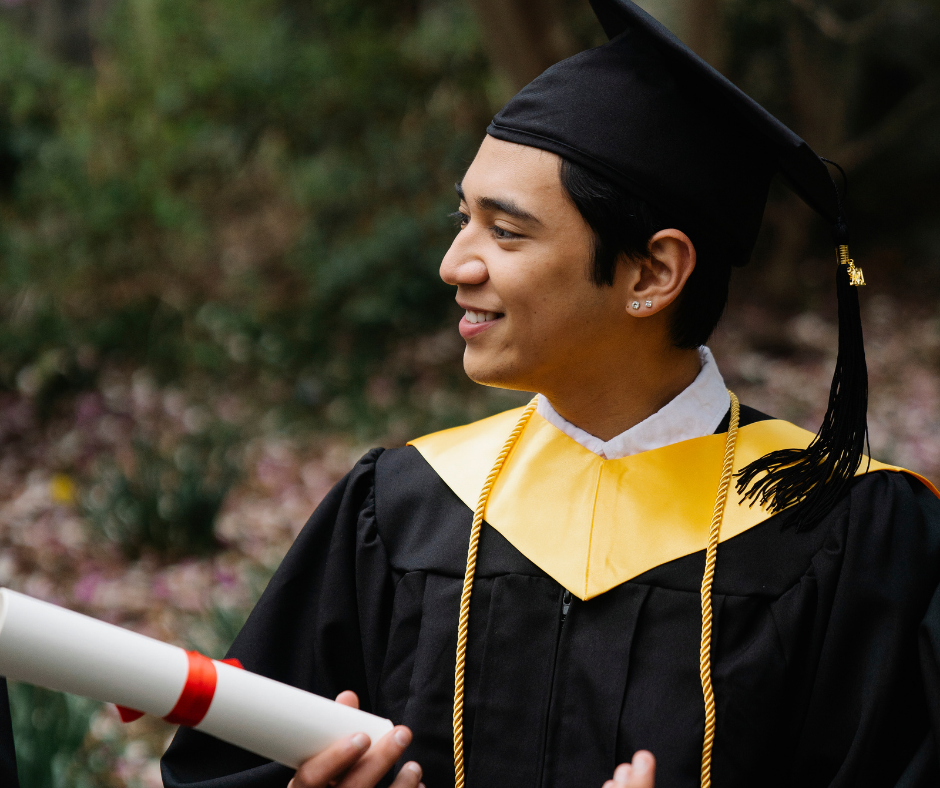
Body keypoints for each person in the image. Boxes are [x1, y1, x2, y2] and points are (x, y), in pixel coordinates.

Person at [161, 1, 940, 787]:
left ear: (652, 274)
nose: (453, 264)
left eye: (506, 232)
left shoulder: (847, 537)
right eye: (463, 218)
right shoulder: (400, 513)